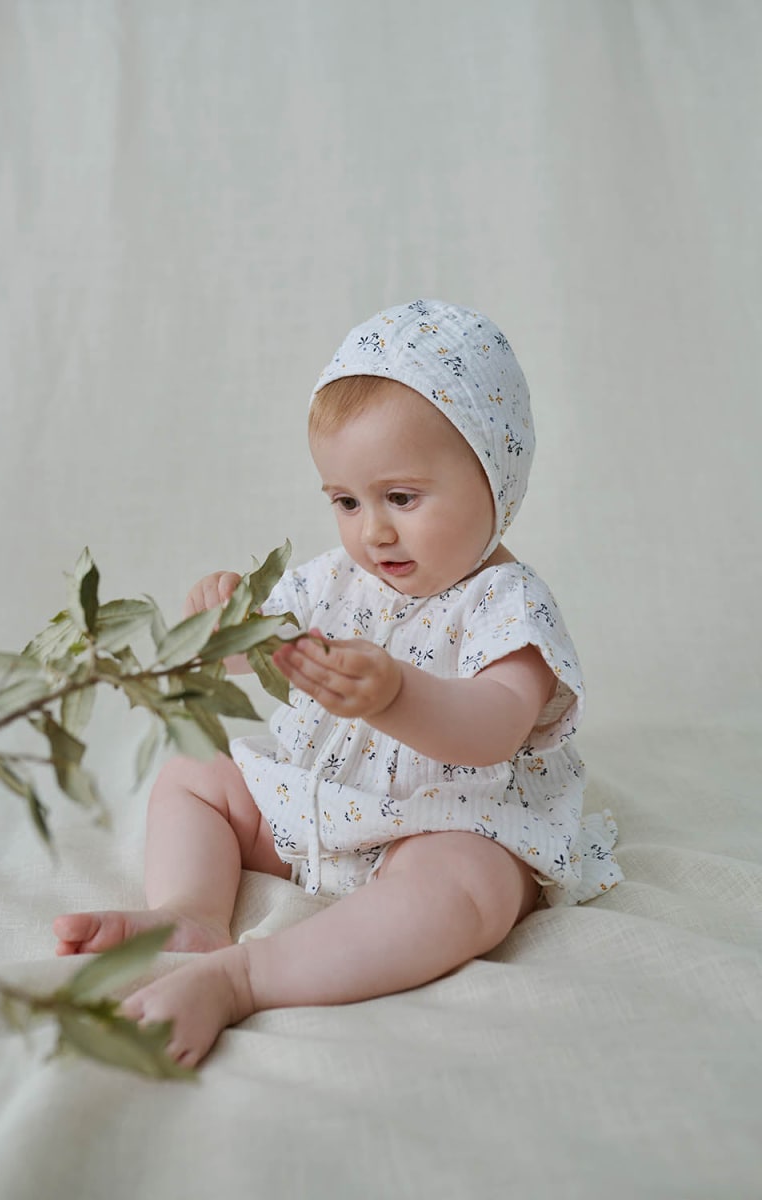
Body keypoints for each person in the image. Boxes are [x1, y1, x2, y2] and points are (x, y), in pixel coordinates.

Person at [53, 299, 622, 1068]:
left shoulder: (508, 605)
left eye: (402, 497)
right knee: (197, 774)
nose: (373, 531)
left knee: (469, 889)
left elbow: (495, 726)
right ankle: (191, 913)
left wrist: (400, 697)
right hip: (329, 800)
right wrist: (223, 628)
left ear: (494, 476)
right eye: (347, 502)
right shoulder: (337, 578)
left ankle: (245, 977)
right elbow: (261, 651)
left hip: (450, 821)